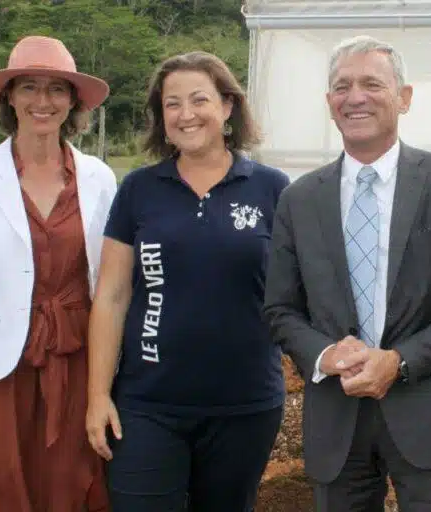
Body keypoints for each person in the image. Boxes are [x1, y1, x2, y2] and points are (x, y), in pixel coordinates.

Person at [263, 34, 431, 511]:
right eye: (342, 86)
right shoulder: (299, 199)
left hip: (430, 415)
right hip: (337, 417)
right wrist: (326, 354)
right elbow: (281, 309)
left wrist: (400, 360)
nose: (355, 97)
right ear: (329, 103)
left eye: (372, 84)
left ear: (403, 97)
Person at [84, 51, 289, 511]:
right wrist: (97, 396)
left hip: (244, 405)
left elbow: (296, 293)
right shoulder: (138, 189)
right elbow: (112, 296)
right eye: (171, 104)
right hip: (147, 404)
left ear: (228, 106)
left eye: (199, 99)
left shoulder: (271, 188)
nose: (185, 114)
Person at [0, 35, 117, 511]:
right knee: (6, 484)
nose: (43, 101)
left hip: (79, 357)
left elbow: (112, 284)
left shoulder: (99, 178)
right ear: (9, 97)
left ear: (73, 101)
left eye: (56, 89)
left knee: (78, 482)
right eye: (29, 87)